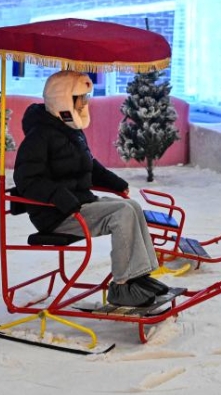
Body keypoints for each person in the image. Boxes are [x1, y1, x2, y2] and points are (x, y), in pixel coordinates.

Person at [14, 70, 169, 307]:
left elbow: (90, 166)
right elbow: (27, 179)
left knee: (132, 206)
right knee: (122, 214)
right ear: (63, 99)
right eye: (80, 98)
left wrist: (117, 184)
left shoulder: (70, 131)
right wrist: (60, 197)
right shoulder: (40, 136)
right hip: (57, 214)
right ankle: (123, 286)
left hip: (78, 204)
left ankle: (140, 277)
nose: (85, 103)